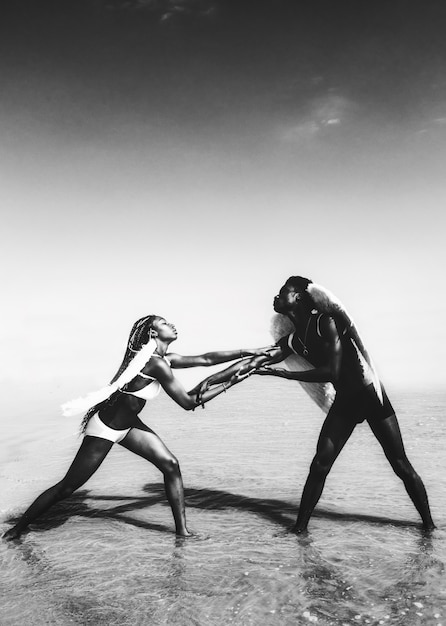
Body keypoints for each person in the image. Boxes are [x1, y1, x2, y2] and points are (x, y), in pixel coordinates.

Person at [196, 277, 435, 533]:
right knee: (320, 464)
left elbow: (331, 372)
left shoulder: (325, 322)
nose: (275, 297)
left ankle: (430, 528)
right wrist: (213, 380)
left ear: (298, 296)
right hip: (346, 401)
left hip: (369, 396)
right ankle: (300, 530)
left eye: (281, 292)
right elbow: (255, 361)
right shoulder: (295, 340)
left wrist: (285, 375)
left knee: (399, 463)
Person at [3, 314, 274, 540]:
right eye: (165, 323)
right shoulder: (154, 364)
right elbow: (188, 402)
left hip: (130, 426)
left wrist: (249, 351)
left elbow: (205, 359)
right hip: (105, 429)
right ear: (153, 333)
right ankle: (17, 530)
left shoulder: (163, 359)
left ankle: (183, 533)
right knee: (67, 488)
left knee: (170, 464)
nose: (172, 325)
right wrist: (231, 382)